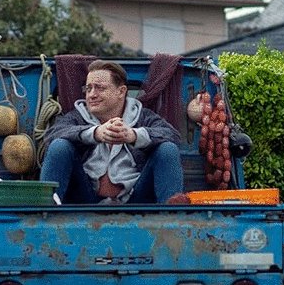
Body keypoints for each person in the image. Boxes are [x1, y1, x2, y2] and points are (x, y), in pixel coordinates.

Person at [40, 59, 183, 204]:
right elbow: (51, 135)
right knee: (59, 146)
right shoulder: (77, 116)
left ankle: (172, 217)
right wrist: (95, 133)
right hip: (85, 198)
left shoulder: (143, 116)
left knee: (168, 149)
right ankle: (45, 213)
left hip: (136, 200)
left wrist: (133, 135)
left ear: (121, 91)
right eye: (88, 89)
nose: (91, 95)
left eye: (100, 88)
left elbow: (173, 136)